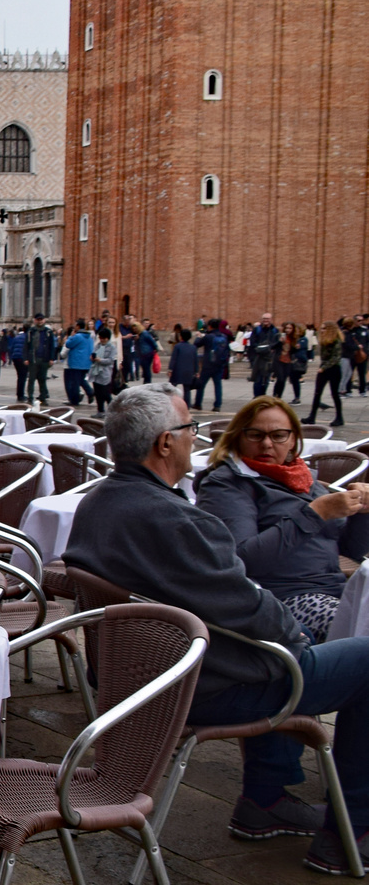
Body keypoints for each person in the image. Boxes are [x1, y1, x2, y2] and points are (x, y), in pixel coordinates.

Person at [64, 383, 369, 872]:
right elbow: (252, 611)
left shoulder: (97, 502)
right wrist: (298, 639)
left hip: (145, 678)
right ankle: (353, 831)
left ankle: (265, 802)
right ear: (165, 443)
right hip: (201, 686)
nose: (195, 438)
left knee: (278, 648)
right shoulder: (180, 519)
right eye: (190, 429)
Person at [197, 396, 369, 641]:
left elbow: (350, 550)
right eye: (255, 435)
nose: (267, 444)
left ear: (293, 441)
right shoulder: (226, 484)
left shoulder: (302, 478)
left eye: (278, 436)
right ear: (238, 437)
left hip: (337, 591)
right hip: (285, 601)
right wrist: (315, 513)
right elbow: (244, 559)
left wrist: (363, 514)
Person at [307, 322, 347, 425]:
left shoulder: (336, 341)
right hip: (324, 369)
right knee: (317, 393)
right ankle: (312, 416)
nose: (322, 330)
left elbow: (335, 358)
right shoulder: (324, 341)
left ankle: (339, 418)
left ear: (330, 330)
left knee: (335, 394)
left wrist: (323, 368)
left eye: (324, 329)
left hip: (333, 370)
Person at [196, 319, 231, 412]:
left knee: (201, 385)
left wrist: (198, 336)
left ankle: (198, 403)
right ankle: (217, 405)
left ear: (210, 326)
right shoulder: (223, 336)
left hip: (208, 364)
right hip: (219, 364)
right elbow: (227, 350)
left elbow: (196, 344)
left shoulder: (208, 337)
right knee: (218, 386)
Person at [24, 314, 58, 405]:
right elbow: (26, 345)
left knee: (42, 379)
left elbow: (52, 346)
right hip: (33, 359)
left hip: (44, 358)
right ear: (35, 320)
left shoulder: (48, 332)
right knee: (31, 379)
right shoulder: (31, 331)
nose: (40, 321)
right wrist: (26, 358)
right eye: (38, 320)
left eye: (41, 319)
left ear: (44, 320)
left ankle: (43, 397)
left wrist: (52, 358)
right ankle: (30, 397)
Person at [61, 319, 95, 407]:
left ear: (78, 326)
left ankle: (75, 400)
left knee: (75, 382)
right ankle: (89, 392)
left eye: (75, 325)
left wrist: (70, 336)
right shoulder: (89, 337)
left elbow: (68, 344)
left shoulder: (78, 336)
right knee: (80, 380)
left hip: (76, 362)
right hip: (86, 362)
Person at [274, 322, 310, 404]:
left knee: (294, 380)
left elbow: (299, 350)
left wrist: (296, 347)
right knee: (281, 379)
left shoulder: (302, 339)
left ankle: (297, 398)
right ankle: (277, 396)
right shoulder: (288, 338)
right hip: (287, 362)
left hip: (296, 362)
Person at [90, 325, 121, 415]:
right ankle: (100, 410)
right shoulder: (97, 346)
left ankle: (113, 408)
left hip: (105, 372)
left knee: (105, 393)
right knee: (97, 392)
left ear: (108, 338)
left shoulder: (112, 348)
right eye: (100, 338)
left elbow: (110, 360)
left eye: (104, 338)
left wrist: (100, 360)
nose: (102, 340)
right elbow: (93, 354)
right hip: (96, 372)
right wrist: (92, 358)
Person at [249, 313, 282, 399]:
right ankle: (256, 396)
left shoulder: (275, 330)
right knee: (257, 377)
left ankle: (262, 394)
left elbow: (277, 343)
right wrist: (259, 348)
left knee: (266, 377)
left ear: (271, 319)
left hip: (269, 357)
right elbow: (252, 341)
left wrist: (270, 348)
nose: (265, 321)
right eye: (264, 319)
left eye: (267, 319)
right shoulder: (257, 329)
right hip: (258, 356)